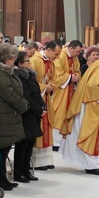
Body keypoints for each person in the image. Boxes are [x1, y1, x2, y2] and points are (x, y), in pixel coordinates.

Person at [0, 44, 29, 190]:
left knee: (5, 149)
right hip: (1, 115)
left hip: (7, 115)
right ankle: (0, 180)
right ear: (5, 58)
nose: (15, 60)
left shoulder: (6, 71)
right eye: (12, 57)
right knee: (1, 150)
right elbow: (8, 94)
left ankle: (3, 179)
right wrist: (23, 105)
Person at [13, 51, 46, 183]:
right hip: (26, 114)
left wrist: (43, 106)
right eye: (27, 61)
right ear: (20, 64)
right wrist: (38, 110)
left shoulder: (31, 76)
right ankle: (19, 172)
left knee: (30, 143)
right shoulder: (20, 77)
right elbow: (26, 97)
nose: (30, 63)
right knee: (23, 145)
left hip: (34, 114)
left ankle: (26, 171)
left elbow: (37, 93)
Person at [30, 40, 59, 170]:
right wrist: (44, 87)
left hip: (46, 98)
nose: (57, 57)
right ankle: (36, 162)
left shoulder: (51, 62)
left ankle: (46, 160)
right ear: (48, 50)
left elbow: (54, 79)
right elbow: (31, 81)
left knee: (47, 127)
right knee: (39, 127)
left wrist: (51, 85)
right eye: (56, 54)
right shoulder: (35, 60)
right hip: (37, 99)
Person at [50, 40, 83, 149]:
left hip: (71, 90)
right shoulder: (60, 56)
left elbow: (78, 71)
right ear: (71, 48)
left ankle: (64, 141)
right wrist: (70, 78)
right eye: (77, 51)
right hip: (61, 91)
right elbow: (57, 74)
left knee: (67, 114)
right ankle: (55, 141)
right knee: (58, 114)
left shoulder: (75, 58)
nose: (78, 54)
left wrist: (77, 77)